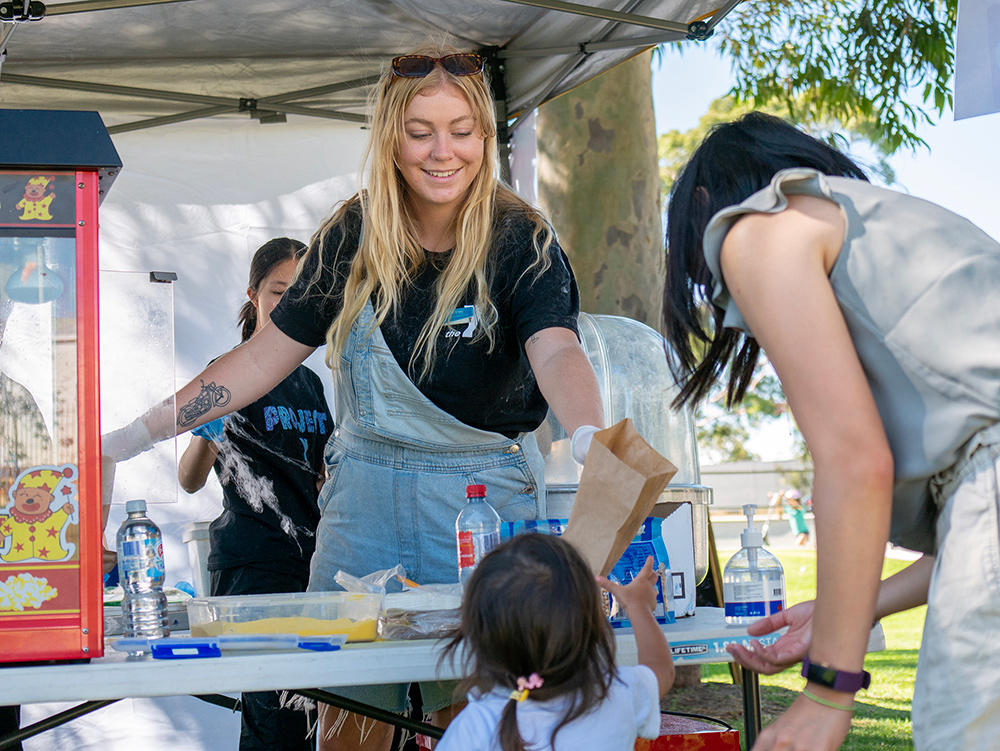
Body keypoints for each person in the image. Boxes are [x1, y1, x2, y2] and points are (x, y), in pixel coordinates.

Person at [102, 43, 604, 751]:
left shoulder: (523, 241)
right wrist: (129, 438)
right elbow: (259, 358)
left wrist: (591, 436)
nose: (442, 152)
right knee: (347, 727)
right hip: (361, 507)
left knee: (477, 724)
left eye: (462, 130)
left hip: (480, 510)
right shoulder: (352, 233)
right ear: (390, 138)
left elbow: (557, 349)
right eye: (420, 131)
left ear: (486, 137)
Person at [661, 111, 1000, 751]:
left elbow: (854, 461)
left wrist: (826, 693)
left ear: (707, 207)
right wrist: (849, 608)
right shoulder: (892, 230)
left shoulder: (761, 231)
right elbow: (974, 540)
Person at [177, 237, 332, 751]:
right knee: (276, 720)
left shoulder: (311, 382)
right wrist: (207, 432)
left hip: (310, 567)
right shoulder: (229, 371)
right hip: (251, 570)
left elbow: (320, 478)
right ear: (253, 294)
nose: (287, 306)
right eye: (276, 292)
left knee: (312, 715)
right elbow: (188, 479)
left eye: (299, 295)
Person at [436, 533, 673, 751]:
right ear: (589, 626)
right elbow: (661, 668)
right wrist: (638, 606)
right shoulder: (617, 695)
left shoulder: (475, 727)